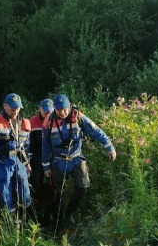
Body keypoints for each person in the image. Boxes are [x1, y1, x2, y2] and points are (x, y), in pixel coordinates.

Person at [42, 94, 116, 226]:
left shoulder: (78, 117)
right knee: (57, 192)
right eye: (59, 110)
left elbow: (96, 131)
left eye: (65, 109)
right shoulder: (48, 122)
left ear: (69, 106)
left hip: (76, 158)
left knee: (83, 186)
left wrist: (109, 146)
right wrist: (46, 166)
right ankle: (58, 220)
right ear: (54, 108)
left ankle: (69, 212)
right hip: (58, 160)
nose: (63, 113)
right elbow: (45, 145)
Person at [29, 98, 54, 220]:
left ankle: (51, 212)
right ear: (40, 108)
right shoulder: (32, 122)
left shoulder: (57, 121)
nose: (47, 115)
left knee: (53, 184)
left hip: (52, 157)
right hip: (37, 157)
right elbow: (28, 145)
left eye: (49, 113)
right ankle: (36, 212)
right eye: (45, 113)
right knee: (36, 183)